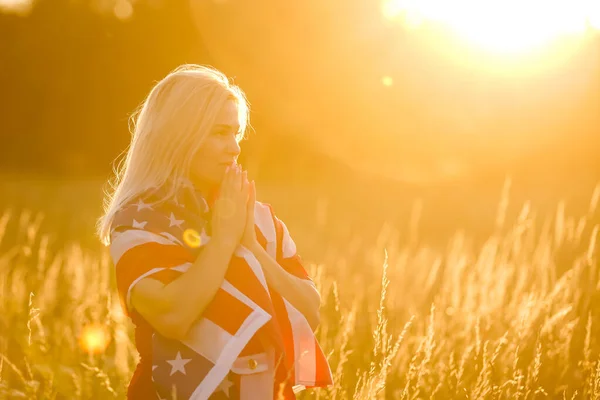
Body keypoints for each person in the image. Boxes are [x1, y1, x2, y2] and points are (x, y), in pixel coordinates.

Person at [96, 64, 333, 399]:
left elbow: (310, 312)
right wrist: (223, 239)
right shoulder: (138, 222)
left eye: (236, 134)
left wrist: (250, 246)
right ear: (178, 136)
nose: (234, 148)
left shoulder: (260, 218)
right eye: (219, 133)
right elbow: (174, 316)